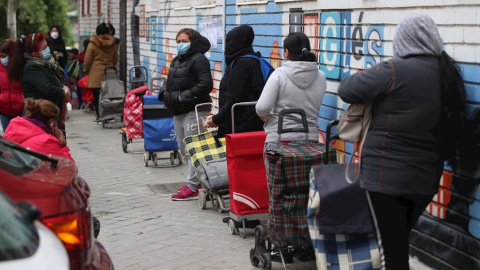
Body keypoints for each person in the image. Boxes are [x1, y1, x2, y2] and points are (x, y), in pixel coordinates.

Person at [337, 13, 466, 269]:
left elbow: (346, 89)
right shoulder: (448, 74)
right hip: (425, 181)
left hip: (385, 181)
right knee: (398, 244)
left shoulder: (393, 70)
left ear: (404, 40)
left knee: (391, 254)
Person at [158, 28, 213, 201]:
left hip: (194, 109)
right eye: (179, 41)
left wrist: (183, 96)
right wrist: (163, 92)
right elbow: (169, 81)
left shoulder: (198, 59)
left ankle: (193, 187)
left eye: (184, 41)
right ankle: (197, 182)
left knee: (193, 149)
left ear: (193, 42)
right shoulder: (177, 59)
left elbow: (206, 84)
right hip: (179, 110)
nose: (181, 44)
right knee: (184, 149)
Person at [256, 32, 326, 153]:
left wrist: (264, 116)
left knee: (276, 173)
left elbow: (262, 108)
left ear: (286, 52)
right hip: (310, 141)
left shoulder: (279, 74)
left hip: (279, 141)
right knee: (306, 172)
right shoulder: (321, 76)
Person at [204, 25, 265, 137]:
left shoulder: (241, 65)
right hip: (252, 125)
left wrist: (216, 119)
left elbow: (234, 100)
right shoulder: (253, 60)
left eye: (229, 41)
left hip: (241, 130)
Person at [8, 33, 70, 132]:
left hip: (51, 116)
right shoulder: (31, 67)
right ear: (35, 54)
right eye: (44, 47)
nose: (48, 49)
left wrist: (63, 87)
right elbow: (47, 89)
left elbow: (53, 82)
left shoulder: (44, 63)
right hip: (42, 118)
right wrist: (63, 92)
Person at [3, 98, 75, 163]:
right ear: (51, 122)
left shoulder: (13, 128)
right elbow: (69, 168)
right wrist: (62, 145)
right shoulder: (46, 141)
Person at [84, 22, 119, 122]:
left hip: (96, 73)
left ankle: (99, 116)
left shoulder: (92, 44)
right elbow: (115, 58)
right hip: (109, 72)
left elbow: (87, 60)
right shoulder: (113, 43)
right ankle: (110, 116)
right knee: (109, 95)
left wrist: (87, 70)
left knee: (97, 96)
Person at [0, 39, 24, 131]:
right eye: (1, 56)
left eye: (5, 56)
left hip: (21, 111)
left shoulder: (21, 67)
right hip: (4, 111)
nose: (2, 59)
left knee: (20, 140)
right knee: (8, 139)